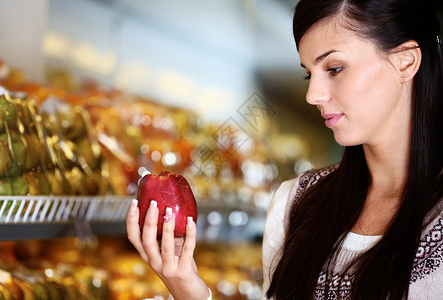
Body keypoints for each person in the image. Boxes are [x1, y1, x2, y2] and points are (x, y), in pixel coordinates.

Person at [126, 0, 443, 299]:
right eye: (309, 73)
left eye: (334, 68)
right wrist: (188, 288)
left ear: (406, 61)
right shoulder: (294, 204)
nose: (312, 94)